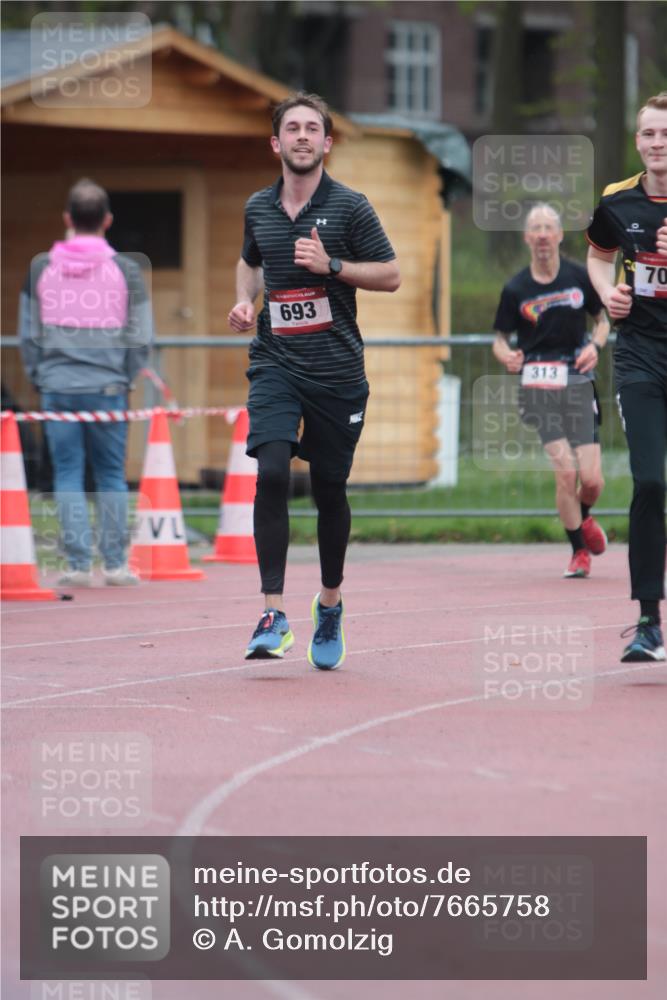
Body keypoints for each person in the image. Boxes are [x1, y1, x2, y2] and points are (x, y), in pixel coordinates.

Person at [228, 92, 400, 670]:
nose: (302, 137)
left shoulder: (351, 208)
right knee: (272, 470)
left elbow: (392, 274)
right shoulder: (258, 206)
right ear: (276, 143)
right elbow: (249, 261)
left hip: (337, 374)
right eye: (292, 129)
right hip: (275, 363)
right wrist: (244, 301)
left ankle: (329, 603)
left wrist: (332, 266)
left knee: (329, 490)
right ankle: (273, 614)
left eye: (312, 129)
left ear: (326, 143)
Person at [19, 178, 153, 587]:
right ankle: (113, 565)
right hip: (109, 388)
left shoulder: (41, 267)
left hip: (57, 386)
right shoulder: (127, 269)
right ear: (108, 220)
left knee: (67, 474)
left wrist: (40, 375)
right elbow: (141, 336)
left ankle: (78, 565)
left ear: (67, 219)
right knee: (112, 475)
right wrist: (124, 376)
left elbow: (29, 333)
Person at [587, 91, 667, 662]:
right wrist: (607, 293)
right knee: (650, 481)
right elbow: (596, 254)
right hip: (640, 352)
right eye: (648, 134)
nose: (657, 143)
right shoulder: (617, 200)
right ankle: (647, 620)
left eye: (666, 134)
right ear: (637, 140)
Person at [493, 203, 610, 578]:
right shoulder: (515, 288)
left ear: (559, 236)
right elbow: (498, 340)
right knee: (565, 473)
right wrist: (507, 356)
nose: (543, 234)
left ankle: (585, 516)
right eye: (536, 228)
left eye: (549, 227)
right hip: (539, 385)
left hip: (577, 383)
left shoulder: (579, 277)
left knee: (591, 480)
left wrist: (596, 346)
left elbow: (602, 321)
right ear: (528, 238)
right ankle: (578, 551)